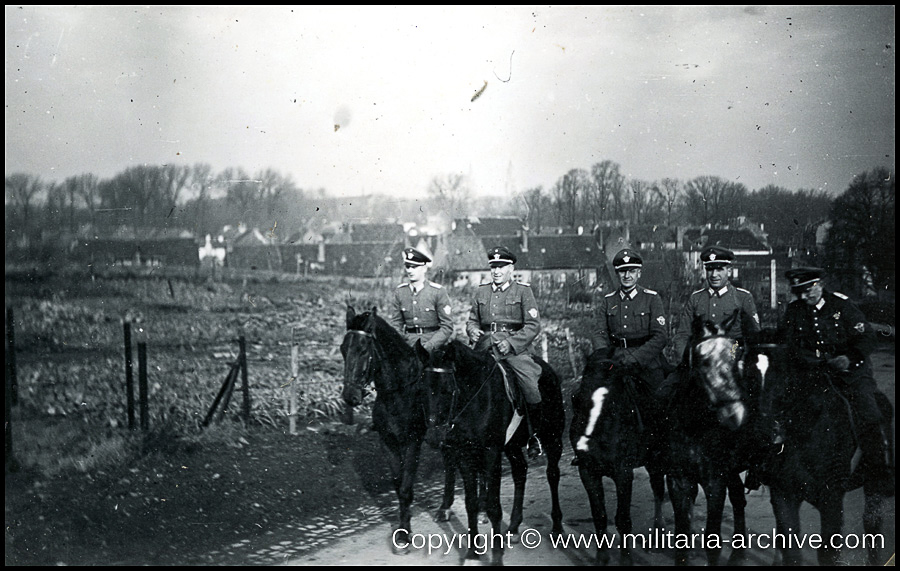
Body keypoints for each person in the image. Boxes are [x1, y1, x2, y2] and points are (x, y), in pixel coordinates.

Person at [780, 267, 893, 495]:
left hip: (851, 374)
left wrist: (849, 357)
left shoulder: (842, 306)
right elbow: (787, 343)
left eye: (808, 289)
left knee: (869, 411)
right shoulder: (794, 310)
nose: (804, 296)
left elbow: (867, 337)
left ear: (819, 284)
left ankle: (880, 472)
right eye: (799, 291)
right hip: (814, 374)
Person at [465, 246, 544, 458]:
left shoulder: (523, 291)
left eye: (501, 267)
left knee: (530, 386)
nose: (496, 271)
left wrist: (511, 343)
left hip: (514, 350)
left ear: (511, 268)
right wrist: (472, 330)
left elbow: (533, 325)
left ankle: (533, 435)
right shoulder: (481, 291)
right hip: (484, 347)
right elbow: (473, 319)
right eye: (493, 267)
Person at [589, 248, 668, 393]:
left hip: (646, 364)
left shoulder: (651, 298)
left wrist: (635, 359)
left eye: (632, 271)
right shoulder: (608, 300)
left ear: (639, 273)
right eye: (622, 271)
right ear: (617, 273)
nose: (627, 276)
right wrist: (605, 357)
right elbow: (599, 333)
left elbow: (660, 336)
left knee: (658, 402)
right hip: (615, 362)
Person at [672, 245, 761, 363]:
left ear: (729, 271)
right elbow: (682, 335)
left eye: (719, 269)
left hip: (733, 359)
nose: (714, 275)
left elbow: (754, 337)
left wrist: (740, 361)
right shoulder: (696, 298)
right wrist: (687, 361)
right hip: (701, 362)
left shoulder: (743, 297)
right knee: (668, 381)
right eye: (710, 269)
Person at [387, 247, 454, 355]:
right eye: (408, 267)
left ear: (424, 268)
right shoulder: (400, 292)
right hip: (408, 346)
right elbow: (396, 324)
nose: (410, 270)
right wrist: (403, 344)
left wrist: (429, 346)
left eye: (414, 267)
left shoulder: (438, 291)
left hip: (433, 347)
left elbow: (447, 327)